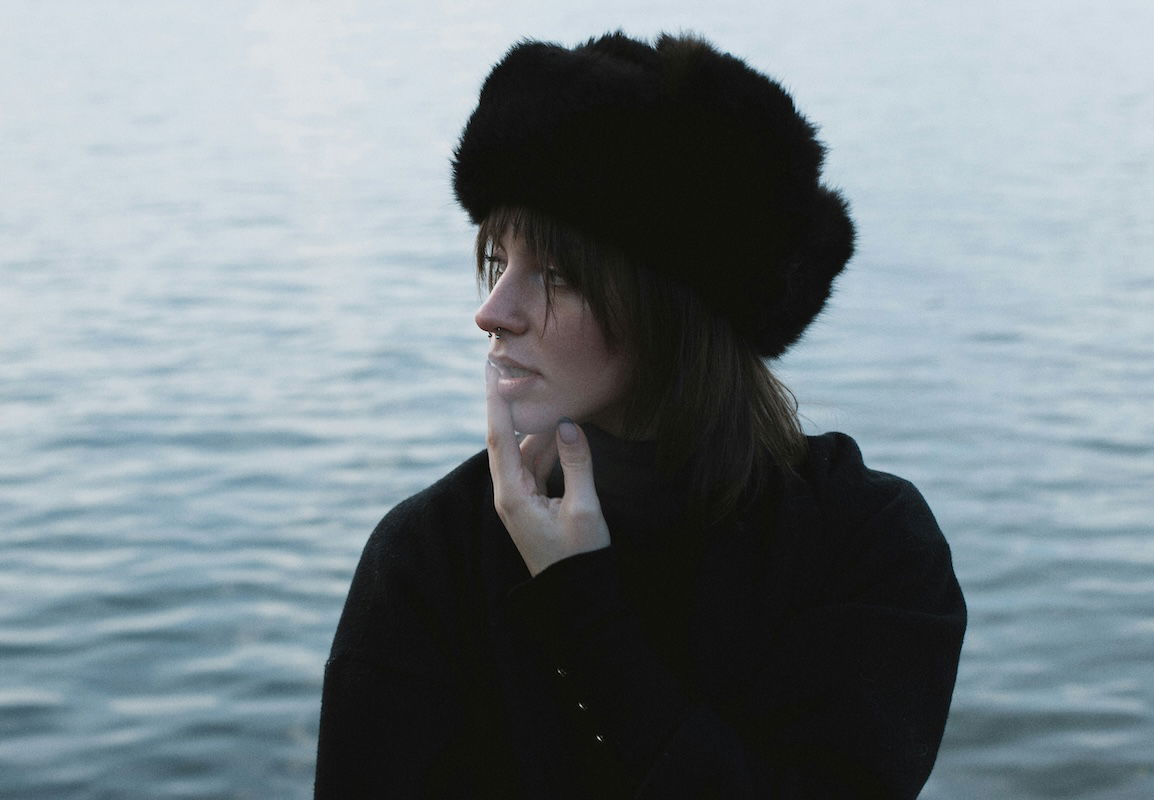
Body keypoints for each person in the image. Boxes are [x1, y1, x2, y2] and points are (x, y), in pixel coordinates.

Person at [315, 31, 966, 799]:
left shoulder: (864, 546)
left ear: (672, 309)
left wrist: (581, 611)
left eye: (555, 276)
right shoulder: (432, 557)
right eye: (498, 262)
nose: (492, 313)